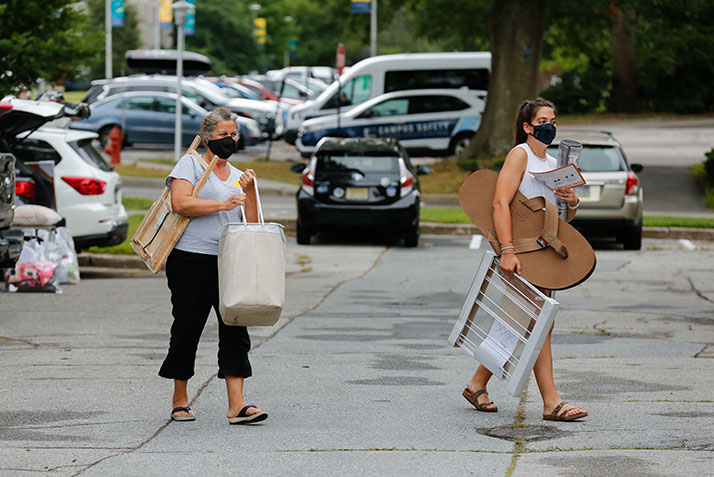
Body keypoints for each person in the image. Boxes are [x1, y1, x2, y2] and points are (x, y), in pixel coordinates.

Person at [462, 98, 588, 422]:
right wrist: (507, 250)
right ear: (528, 127)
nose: (550, 126)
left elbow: (561, 221)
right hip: (522, 252)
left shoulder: (552, 165)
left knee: (526, 323)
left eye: (554, 119)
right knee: (537, 323)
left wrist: (571, 202)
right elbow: (499, 203)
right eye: (544, 120)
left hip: (546, 253)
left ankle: (477, 383)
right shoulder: (521, 155)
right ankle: (551, 401)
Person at [158, 107, 268, 425]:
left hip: (229, 261)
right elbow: (181, 202)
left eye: (234, 134)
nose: (229, 140)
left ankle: (237, 404)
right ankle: (180, 399)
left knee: (235, 327)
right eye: (223, 134)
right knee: (188, 327)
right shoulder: (190, 163)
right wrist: (223, 203)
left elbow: (251, 220)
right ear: (207, 137)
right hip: (190, 260)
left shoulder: (237, 176)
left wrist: (247, 192)